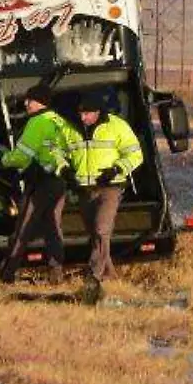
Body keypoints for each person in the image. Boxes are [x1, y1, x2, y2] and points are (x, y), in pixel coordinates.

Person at [0, 83, 76, 284]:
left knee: (24, 227)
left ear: (38, 101)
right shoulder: (60, 121)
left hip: (40, 183)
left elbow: (22, 157)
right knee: (53, 227)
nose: (26, 104)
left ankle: (7, 273)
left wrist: (3, 159)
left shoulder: (37, 122)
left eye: (29, 100)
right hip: (59, 183)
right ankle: (56, 273)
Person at [67, 92, 144, 293]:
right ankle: (110, 276)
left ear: (97, 112)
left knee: (102, 229)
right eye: (80, 113)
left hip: (110, 188)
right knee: (96, 235)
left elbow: (136, 154)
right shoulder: (71, 129)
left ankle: (93, 276)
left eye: (86, 114)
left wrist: (117, 169)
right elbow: (58, 151)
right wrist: (64, 170)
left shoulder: (117, 126)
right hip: (84, 190)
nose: (82, 117)